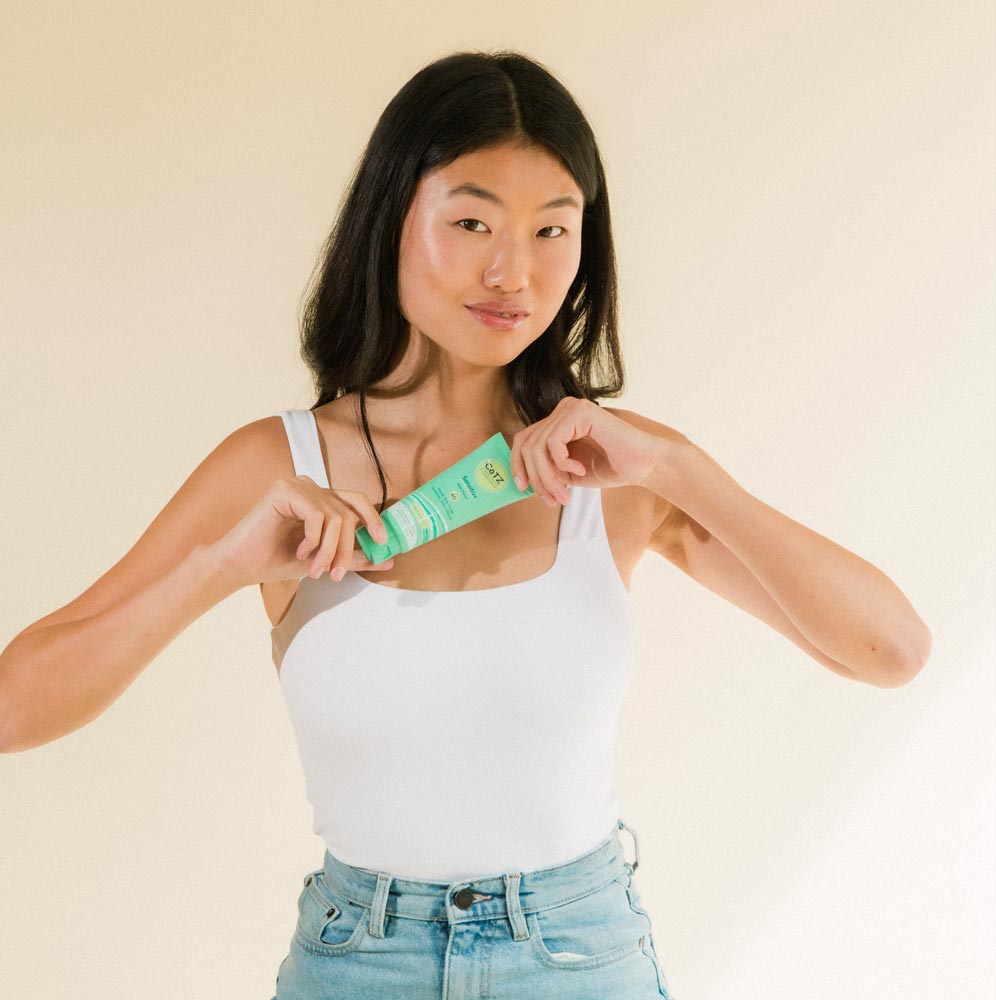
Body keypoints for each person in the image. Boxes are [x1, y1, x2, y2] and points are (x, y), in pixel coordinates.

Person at [0, 50, 932, 1000]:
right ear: (391, 219)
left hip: (582, 958)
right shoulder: (276, 468)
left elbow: (890, 649)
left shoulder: (615, 466)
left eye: (551, 230)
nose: (512, 272)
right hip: (358, 963)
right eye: (472, 220)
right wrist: (219, 568)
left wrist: (680, 469)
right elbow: (14, 710)